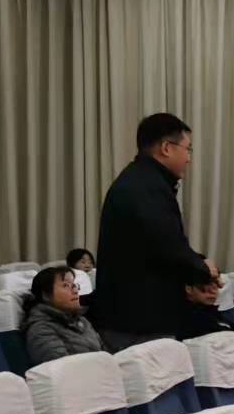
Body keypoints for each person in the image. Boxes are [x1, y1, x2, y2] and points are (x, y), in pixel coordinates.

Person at [91, 113, 217, 351]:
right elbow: (167, 246)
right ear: (166, 148)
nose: (189, 158)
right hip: (137, 321)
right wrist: (203, 269)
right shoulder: (145, 187)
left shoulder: (144, 181)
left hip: (140, 317)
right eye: (188, 149)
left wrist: (198, 268)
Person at [23, 266, 104, 365]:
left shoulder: (82, 320)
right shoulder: (40, 329)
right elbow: (61, 369)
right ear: (46, 295)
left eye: (74, 285)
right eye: (66, 285)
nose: (75, 291)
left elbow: (104, 353)